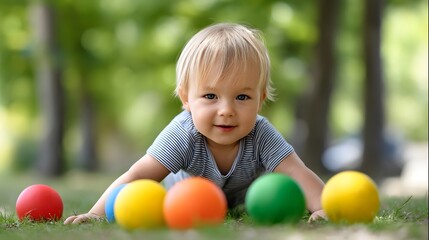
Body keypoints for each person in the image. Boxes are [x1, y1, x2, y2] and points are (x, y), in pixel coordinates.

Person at [64, 22, 326, 224]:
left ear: (260, 101)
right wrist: (96, 213)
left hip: (243, 203)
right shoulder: (183, 134)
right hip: (186, 201)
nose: (226, 110)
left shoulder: (261, 133)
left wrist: (324, 208)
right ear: (186, 99)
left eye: (242, 97)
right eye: (210, 96)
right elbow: (138, 176)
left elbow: (296, 172)